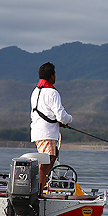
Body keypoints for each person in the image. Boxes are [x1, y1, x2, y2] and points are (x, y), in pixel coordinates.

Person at [30, 62, 73, 191]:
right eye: (54, 74)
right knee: (46, 160)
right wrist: (70, 119)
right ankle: (39, 189)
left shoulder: (35, 91)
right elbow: (61, 116)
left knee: (52, 156)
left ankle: (42, 185)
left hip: (38, 131)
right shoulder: (52, 93)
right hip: (46, 132)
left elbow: (46, 112)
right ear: (51, 76)